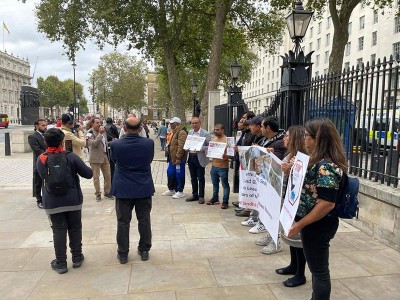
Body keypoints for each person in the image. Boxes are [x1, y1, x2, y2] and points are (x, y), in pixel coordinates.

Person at [287, 118, 347, 300]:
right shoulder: (319, 161)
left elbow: (327, 204)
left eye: (307, 136)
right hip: (314, 224)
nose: (304, 139)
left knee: (319, 271)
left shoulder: (327, 166)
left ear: (318, 138)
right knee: (316, 268)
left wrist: (300, 225)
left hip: (318, 225)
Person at [36, 128, 93, 274]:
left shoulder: (41, 158)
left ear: (45, 142)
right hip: (73, 200)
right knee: (75, 228)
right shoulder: (71, 157)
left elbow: (42, 177)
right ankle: (77, 257)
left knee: (58, 231)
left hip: (53, 202)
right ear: (62, 142)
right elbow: (88, 174)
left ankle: (61, 263)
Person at [110, 117, 155, 264]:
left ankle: (123, 253)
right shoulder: (149, 143)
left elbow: (114, 160)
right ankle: (144, 250)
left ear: (124, 127)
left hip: (123, 188)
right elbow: (148, 160)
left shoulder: (116, 145)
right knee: (144, 220)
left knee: (123, 222)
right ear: (141, 128)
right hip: (143, 187)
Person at [272, 125, 308, 288]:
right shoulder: (291, 154)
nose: (284, 138)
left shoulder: (303, 157)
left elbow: (303, 182)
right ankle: (293, 265)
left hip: (298, 205)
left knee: (298, 240)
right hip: (288, 203)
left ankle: (300, 274)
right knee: (290, 236)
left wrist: (290, 171)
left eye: (286, 136)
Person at [86, 117, 113, 201]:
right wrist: (100, 134)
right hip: (95, 158)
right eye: (97, 123)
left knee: (108, 175)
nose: (99, 124)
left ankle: (107, 192)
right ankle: (98, 193)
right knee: (96, 177)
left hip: (104, 156)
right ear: (92, 124)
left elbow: (104, 144)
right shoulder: (89, 133)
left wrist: (111, 143)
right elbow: (93, 144)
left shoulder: (103, 131)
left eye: (100, 122)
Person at [185, 117, 211, 204]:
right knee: (193, 178)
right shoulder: (190, 132)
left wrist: (199, 147)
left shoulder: (205, 133)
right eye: (193, 123)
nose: (194, 125)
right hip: (191, 156)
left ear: (200, 123)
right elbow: (188, 143)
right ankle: (194, 194)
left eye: (196, 123)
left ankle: (201, 196)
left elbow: (210, 146)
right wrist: (187, 147)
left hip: (200, 157)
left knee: (200, 177)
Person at [206, 123, 231, 209]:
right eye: (215, 130)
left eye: (218, 130)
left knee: (225, 184)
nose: (216, 131)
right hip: (214, 165)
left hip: (223, 166)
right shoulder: (213, 140)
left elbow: (231, 154)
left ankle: (225, 201)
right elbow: (210, 151)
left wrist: (226, 156)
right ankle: (215, 198)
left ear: (222, 130)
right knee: (214, 183)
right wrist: (207, 152)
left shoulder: (227, 140)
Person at [165, 117, 188, 199]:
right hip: (172, 158)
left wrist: (178, 157)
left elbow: (181, 146)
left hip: (178, 159)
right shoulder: (173, 132)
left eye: (172, 123)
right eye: (170, 123)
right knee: (170, 173)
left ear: (177, 124)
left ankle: (180, 191)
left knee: (179, 174)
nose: (170, 125)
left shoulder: (181, 132)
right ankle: (171, 189)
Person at [28, 118, 47, 209]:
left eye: (45, 125)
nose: (45, 127)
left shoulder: (47, 135)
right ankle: (39, 200)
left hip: (49, 162)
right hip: (39, 162)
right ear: (37, 126)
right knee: (38, 182)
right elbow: (37, 150)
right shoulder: (32, 137)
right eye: (42, 125)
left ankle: (47, 198)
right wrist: (49, 154)